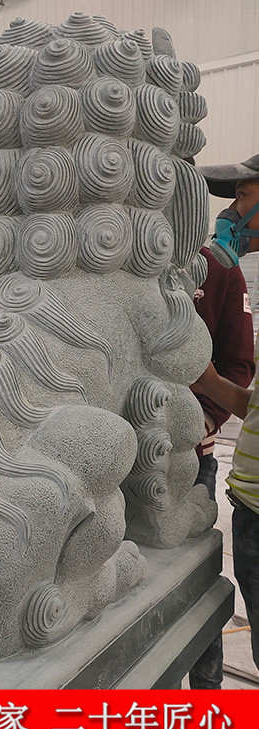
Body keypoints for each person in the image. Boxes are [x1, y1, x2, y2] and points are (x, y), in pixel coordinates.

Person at [191, 153, 259, 676]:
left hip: (192, 454)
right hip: (249, 502)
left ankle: (207, 690)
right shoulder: (185, 265)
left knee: (194, 579)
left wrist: (204, 418)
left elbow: (239, 364)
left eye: (244, 194)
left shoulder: (223, 272)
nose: (233, 209)